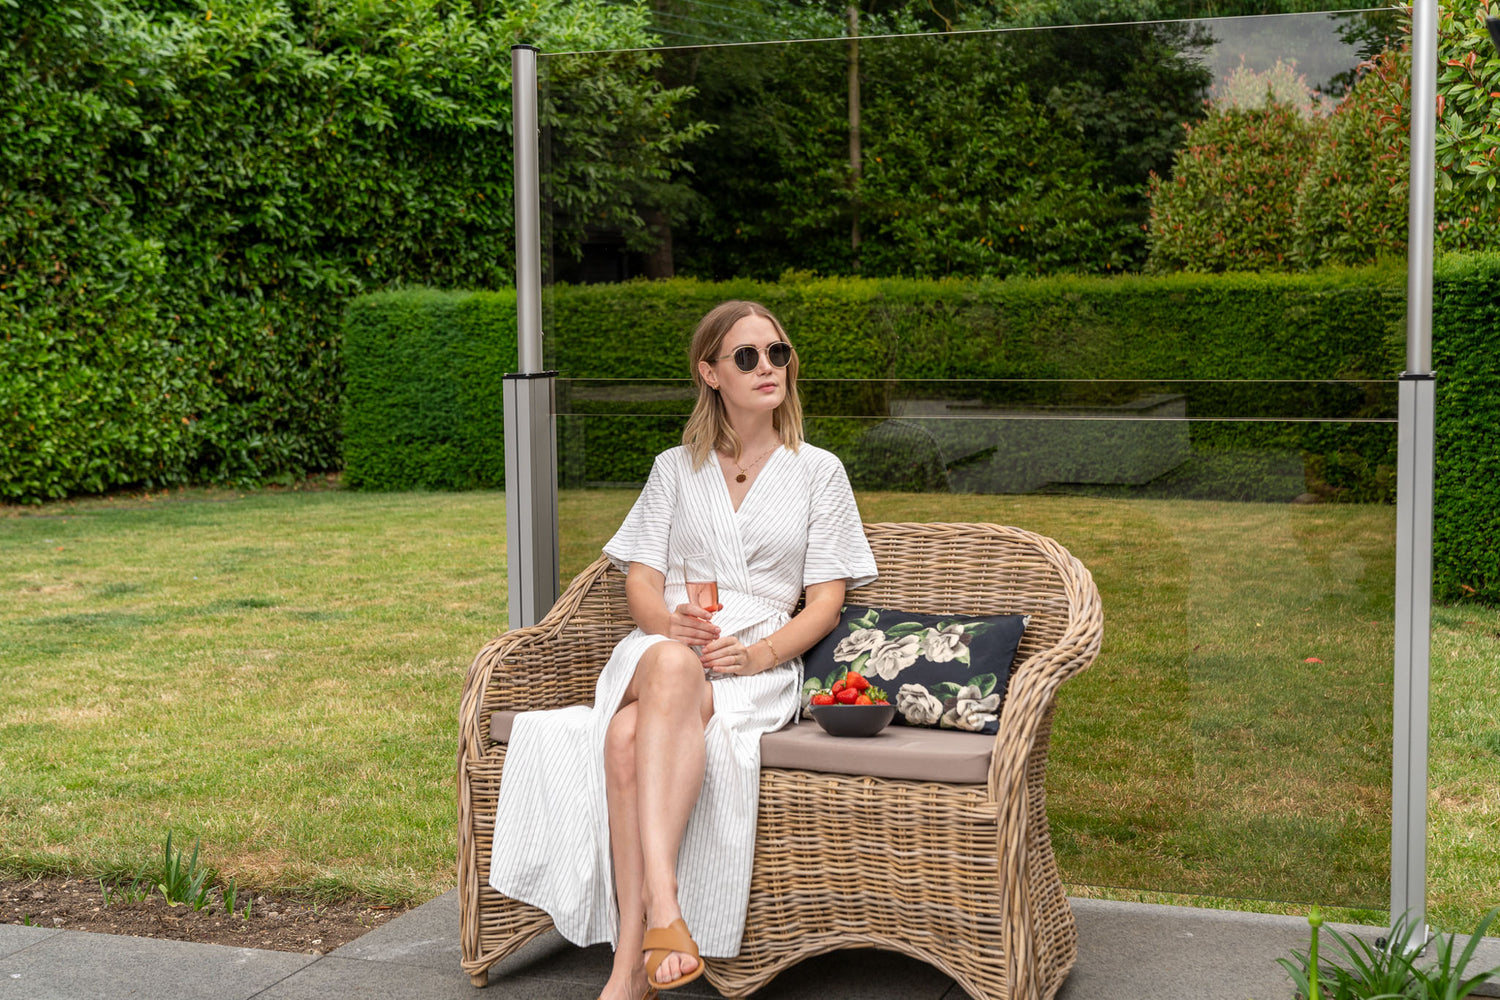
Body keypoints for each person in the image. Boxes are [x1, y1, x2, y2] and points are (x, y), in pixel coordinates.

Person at [488, 300, 877, 1000]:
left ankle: (624, 971)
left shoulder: (820, 472)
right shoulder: (674, 468)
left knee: (627, 740)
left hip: (752, 661)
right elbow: (640, 582)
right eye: (748, 357)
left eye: (778, 354)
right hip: (662, 645)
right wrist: (670, 625)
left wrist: (759, 657)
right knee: (667, 663)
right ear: (710, 373)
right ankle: (668, 911)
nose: (769, 369)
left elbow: (825, 602)